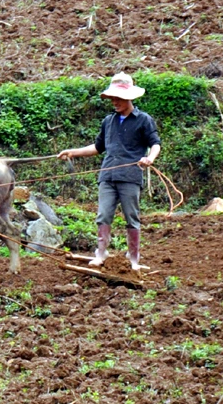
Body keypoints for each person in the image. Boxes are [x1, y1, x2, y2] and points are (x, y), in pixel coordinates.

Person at [57, 73, 161, 270]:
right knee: (103, 215)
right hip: (107, 175)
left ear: (129, 98)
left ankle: (133, 258)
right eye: (112, 98)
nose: (115, 102)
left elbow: (155, 144)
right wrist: (73, 152)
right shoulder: (109, 121)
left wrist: (149, 158)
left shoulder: (143, 120)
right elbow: (98, 147)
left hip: (130, 176)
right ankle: (101, 253)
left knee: (132, 216)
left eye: (118, 98)